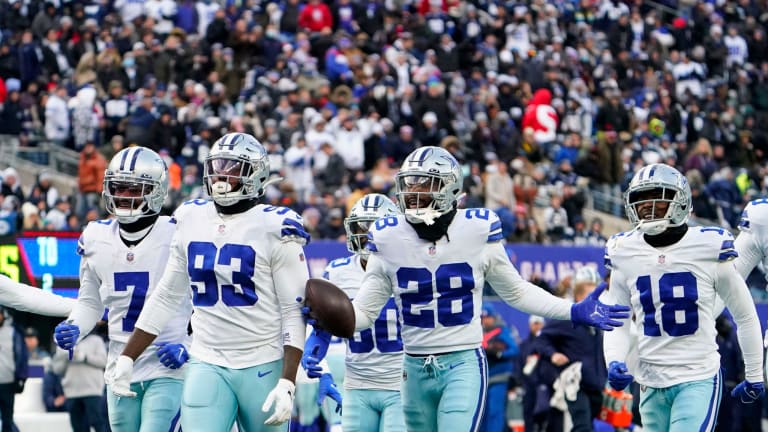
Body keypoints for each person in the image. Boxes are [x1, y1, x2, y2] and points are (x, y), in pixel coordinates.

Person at [309, 146, 630, 431]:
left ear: (449, 188)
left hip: (461, 361)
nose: (413, 191)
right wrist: (329, 318)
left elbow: (516, 291)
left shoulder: (476, 230)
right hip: (411, 367)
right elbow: (364, 312)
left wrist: (571, 309)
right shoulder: (388, 236)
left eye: (424, 183)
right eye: (409, 184)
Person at [110, 133, 310, 432]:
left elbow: (294, 310)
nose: (221, 175)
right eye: (217, 166)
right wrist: (128, 356)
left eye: (232, 167)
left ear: (255, 174)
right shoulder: (191, 217)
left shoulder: (275, 225)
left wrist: (288, 381)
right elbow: (166, 295)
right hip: (207, 358)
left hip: (262, 361)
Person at [602, 163, 764, 432]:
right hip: (650, 380)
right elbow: (616, 318)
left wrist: (754, 373)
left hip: (697, 377)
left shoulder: (708, 246)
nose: (646, 205)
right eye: (640, 199)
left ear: (681, 201)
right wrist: (615, 360)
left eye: (656, 196)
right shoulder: (623, 250)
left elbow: (744, 314)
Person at [53, 146, 192, 432]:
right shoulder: (95, 236)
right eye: (118, 188)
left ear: (156, 191)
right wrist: (76, 326)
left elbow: (207, 301)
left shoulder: (178, 232)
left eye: (133, 189)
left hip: (168, 363)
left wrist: (190, 345)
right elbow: (90, 302)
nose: (123, 196)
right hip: (118, 365)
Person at [302, 193, 405, 432]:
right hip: (357, 384)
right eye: (361, 226)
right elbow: (322, 329)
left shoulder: (409, 267)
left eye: (373, 227)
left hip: (401, 384)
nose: (366, 235)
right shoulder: (338, 272)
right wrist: (315, 358)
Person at [534, 267, 605, 432]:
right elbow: (541, 339)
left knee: (587, 425)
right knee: (582, 427)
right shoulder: (567, 317)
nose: (597, 299)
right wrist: (553, 354)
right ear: (579, 296)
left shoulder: (597, 320)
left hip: (595, 383)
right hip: (575, 382)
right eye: (591, 294)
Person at [52, 324, 109, 432]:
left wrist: (85, 357)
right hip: (72, 392)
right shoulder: (64, 342)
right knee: (78, 428)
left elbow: (104, 362)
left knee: (98, 424)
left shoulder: (96, 340)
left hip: (92, 391)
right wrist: (65, 356)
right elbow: (57, 369)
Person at [479, 304, 519, 432]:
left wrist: (499, 353)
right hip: (483, 380)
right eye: (482, 318)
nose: (485, 320)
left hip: (499, 377)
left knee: (495, 412)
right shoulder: (478, 332)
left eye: (487, 317)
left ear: (493, 317)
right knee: (481, 415)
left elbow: (514, 349)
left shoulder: (501, 330)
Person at [0, 307, 27, 432]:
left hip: (8, 382)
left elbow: (22, 356)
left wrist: (21, 378)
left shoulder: (13, 331)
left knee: (7, 419)